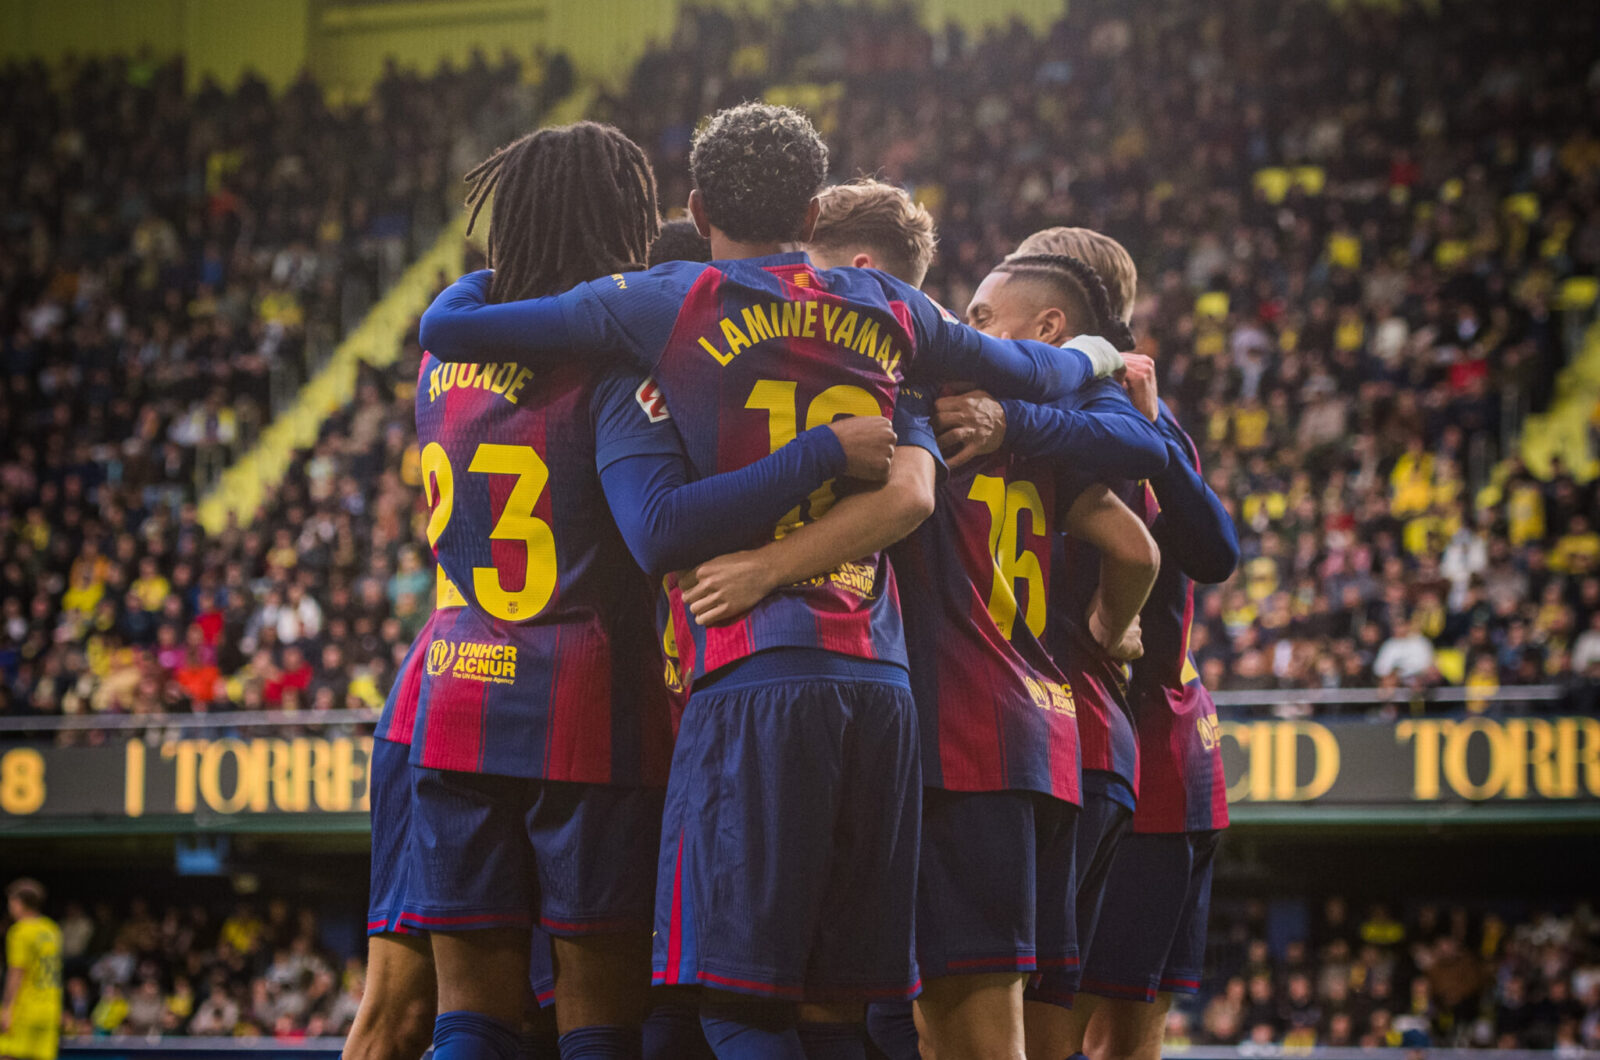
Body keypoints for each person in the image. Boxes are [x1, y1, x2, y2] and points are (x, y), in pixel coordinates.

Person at [418, 103, 1124, 1058]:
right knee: (832, 1008)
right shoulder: (897, 310)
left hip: (742, 672)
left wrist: (478, 280)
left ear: (699, 204)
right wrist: (1102, 355)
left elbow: (451, 330)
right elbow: (1033, 373)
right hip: (881, 683)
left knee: (732, 1009)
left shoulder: (664, 298)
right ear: (816, 202)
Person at [406, 120, 897, 1060]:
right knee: (602, 1022)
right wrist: (820, 454)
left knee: (468, 1018)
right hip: (588, 706)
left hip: (458, 690)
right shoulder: (620, 363)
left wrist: (482, 278)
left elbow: (457, 316)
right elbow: (655, 530)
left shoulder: (441, 362)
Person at [794, 183, 1164, 1058]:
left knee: (961, 1035)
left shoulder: (924, 397)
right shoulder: (1050, 424)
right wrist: (1114, 631)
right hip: (1054, 742)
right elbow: (1138, 547)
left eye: (980, 314)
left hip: (962, 744)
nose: (965, 324)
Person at [1015, 227, 1239, 1060]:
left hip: (1134, 750)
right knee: (1118, 1026)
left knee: (1063, 1023)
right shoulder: (1114, 412)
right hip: (1158, 751)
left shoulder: (1121, 417)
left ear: (1056, 320)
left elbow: (1213, 552)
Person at [1, 879, 63, 1060]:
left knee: (6, 1054)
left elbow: (16, 972)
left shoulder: (20, 931)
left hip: (26, 1008)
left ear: (18, 902)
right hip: (50, 1009)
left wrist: (7, 1009)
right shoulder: (52, 929)